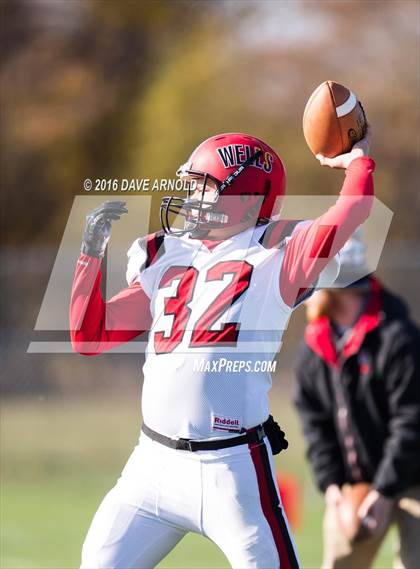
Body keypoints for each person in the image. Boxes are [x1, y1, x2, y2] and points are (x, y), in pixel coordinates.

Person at [70, 130, 374, 568]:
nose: (191, 197)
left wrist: (357, 160)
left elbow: (355, 207)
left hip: (231, 468)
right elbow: (90, 337)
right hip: (150, 466)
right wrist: (89, 255)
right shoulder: (168, 255)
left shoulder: (278, 255)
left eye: (203, 186)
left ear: (248, 199)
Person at [293, 232, 420, 569]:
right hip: (357, 483)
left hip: (414, 478)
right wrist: (332, 485)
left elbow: (411, 421)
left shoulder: (398, 337)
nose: (304, 294)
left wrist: (384, 492)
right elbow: (314, 422)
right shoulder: (314, 345)